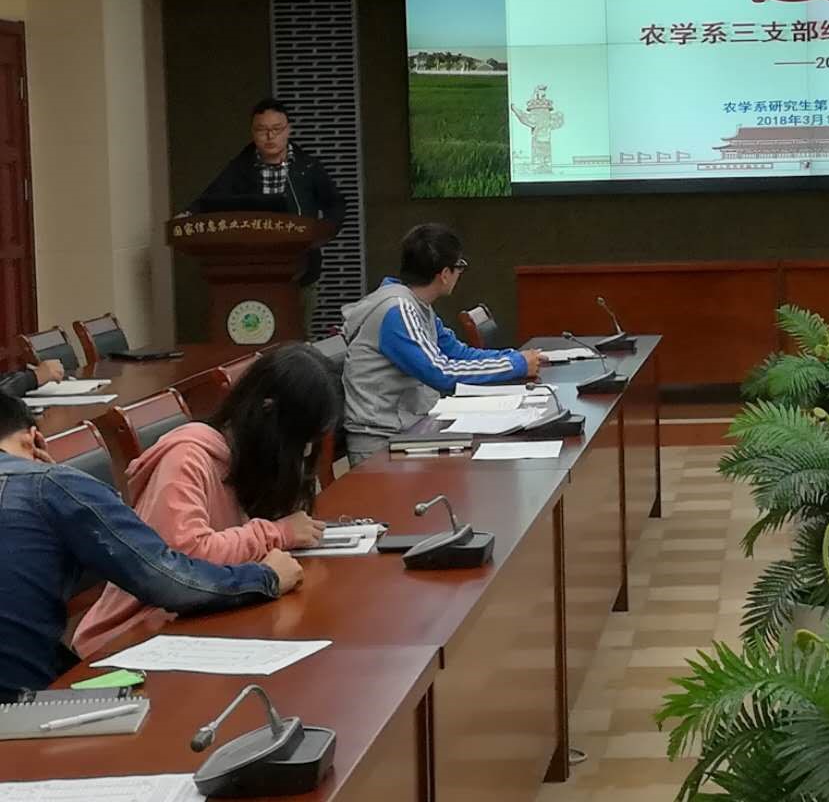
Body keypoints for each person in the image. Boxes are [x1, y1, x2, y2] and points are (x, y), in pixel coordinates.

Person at [0, 394, 302, 697]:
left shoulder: (45, 488)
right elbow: (168, 581)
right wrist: (265, 578)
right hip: (22, 710)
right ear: (34, 439)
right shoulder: (50, 486)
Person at [72, 344, 335, 658]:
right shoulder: (187, 458)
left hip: (201, 616)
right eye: (300, 441)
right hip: (131, 637)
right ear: (268, 411)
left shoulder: (251, 459)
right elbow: (186, 562)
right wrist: (278, 533)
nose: (305, 453)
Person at [341, 223, 542, 465]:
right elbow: (440, 372)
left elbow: (457, 353)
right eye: (460, 266)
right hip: (382, 446)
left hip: (411, 432)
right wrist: (515, 365)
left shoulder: (417, 305)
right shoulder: (397, 310)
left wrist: (515, 358)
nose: (460, 274)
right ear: (445, 274)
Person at [191, 98, 347, 331]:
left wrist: (322, 232)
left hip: (302, 268)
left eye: (276, 129)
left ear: (289, 130)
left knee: (297, 335)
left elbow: (336, 204)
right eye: (262, 130)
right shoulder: (240, 168)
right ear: (252, 133)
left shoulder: (308, 167)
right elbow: (210, 200)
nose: (269, 136)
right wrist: (188, 214)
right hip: (250, 268)